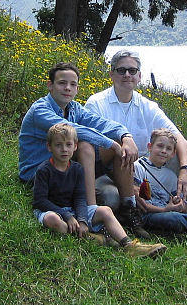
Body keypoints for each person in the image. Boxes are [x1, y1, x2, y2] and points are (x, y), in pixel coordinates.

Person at [18, 62, 145, 234]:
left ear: (77, 88)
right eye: (62, 83)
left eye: (73, 84)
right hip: (40, 174)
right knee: (85, 145)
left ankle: (128, 208)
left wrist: (125, 137)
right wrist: (112, 144)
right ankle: (91, 210)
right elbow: (76, 130)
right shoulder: (40, 110)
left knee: (120, 144)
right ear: (50, 86)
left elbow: (102, 123)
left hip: (66, 165)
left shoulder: (74, 108)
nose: (67, 88)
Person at [33, 123, 166, 258]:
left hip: (74, 209)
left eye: (68, 144)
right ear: (49, 147)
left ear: (75, 146)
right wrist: (67, 216)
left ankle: (128, 245)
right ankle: (87, 237)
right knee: (52, 219)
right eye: (58, 145)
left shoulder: (77, 169)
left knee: (105, 210)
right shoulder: (44, 170)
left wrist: (82, 220)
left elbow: (80, 197)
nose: (64, 149)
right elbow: (40, 201)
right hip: (54, 211)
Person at [85, 49, 187, 211]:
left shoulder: (148, 107)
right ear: (112, 74)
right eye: (121, 70)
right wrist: (130, 184)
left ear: (139, 76)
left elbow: (178, 138)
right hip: (109, 171)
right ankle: (132, 210)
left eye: (132, 71)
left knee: (178, 155)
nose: (127, 75)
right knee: (111, 198)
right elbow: (91, 147)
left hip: (145, 170)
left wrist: (186, 168)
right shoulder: (96, 103)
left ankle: (181, 210)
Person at [133, 129, 187, 235]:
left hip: (169, 212)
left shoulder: (170, 175)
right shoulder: (138, 167)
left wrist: (178, 203)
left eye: (168, 149)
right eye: (160, 146)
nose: (163, 151)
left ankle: (186, 229)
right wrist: (165, 209)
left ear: (173, 154)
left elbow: (181, 203)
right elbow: (142, 205)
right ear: (150, 147)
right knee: (175, 219)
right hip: (149, 214)